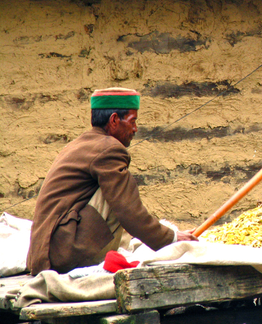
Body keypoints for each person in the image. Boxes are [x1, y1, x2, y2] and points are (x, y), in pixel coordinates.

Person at [27, 87, 197, 276]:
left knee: (117, 190)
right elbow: (128, 210)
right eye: (133, 121)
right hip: (65, 255)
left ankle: (117, 252)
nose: (135, 129)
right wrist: (172, 238)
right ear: (114, 120)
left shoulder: (80, 144)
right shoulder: (109, 149)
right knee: (121, 193)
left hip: (48, 254)